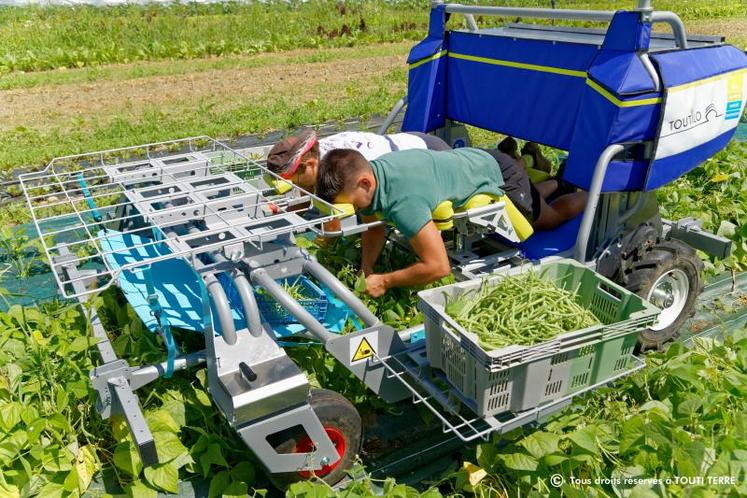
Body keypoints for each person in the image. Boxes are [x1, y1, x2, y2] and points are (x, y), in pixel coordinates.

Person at [315, 147, 587, 297]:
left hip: (498, 174)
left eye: (348, 203)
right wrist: (367, 267)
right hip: (475, 160)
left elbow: (438, 266)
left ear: (364, 183)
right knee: (531, 196)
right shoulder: (373, 175)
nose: (348, 211)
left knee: (546, 220)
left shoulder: (403, 201)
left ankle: (593, 194)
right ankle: (556, 181)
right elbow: (373, 226)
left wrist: (384, 281)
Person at [265, 128, 451, 192]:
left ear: (311, 165)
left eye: (294, 182)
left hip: (430, 154)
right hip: (411, 139)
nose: (294, 187)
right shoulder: (316, 153)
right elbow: (307, 190)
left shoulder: (342, 170)